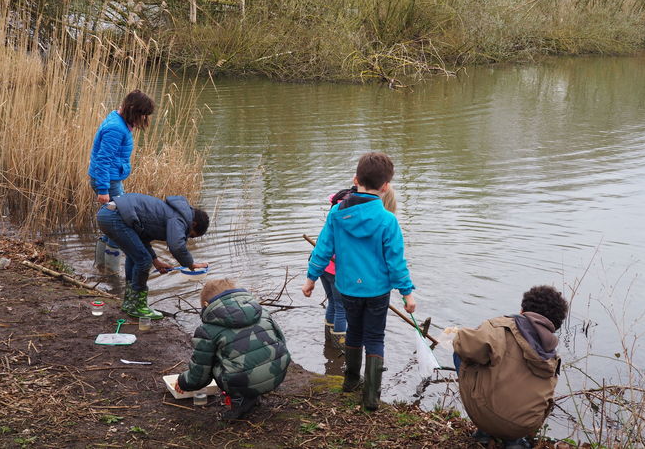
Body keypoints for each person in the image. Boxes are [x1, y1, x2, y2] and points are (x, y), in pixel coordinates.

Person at [302, 152, 415, 411]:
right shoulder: (388, 220)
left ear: (355, 179)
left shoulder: (336, 213)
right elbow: (396, 263)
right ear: (385, 187)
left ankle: (350, 381)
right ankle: (371, 397)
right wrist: (407, 294)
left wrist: (311, 278)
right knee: (375, 337)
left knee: (354, 331)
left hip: (348, 288)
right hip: (377, 290)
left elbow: (323, 249)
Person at [452, 285, 569, 449]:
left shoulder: (500, 327)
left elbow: (463, 346)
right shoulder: (552, 353)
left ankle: (485, 432)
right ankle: (513, 441)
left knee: (461, 355)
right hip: (525, 426)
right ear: (555, 325)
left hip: (486, 416)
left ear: (522, 310)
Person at [175, 278, 291, 420]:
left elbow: (200, 376)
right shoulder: (263, 312)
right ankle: (256, 390)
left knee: (212, 360)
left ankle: (240, 400)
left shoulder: (207, 330)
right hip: (277, 374)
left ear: (206, 304)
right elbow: (281, 341)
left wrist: (183, 382)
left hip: (240, 382)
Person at [96, 192, 209, 319]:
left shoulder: (173, 214)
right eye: (191, 235)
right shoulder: (180, 219)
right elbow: (176, 246)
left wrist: (155, 261)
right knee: (143, 261)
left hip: (109, 213)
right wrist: (190, 264)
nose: (187, 237)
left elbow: (142, 239)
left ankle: (129, 302)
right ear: (194, 224)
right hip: (115, 217)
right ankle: (139, 307)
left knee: (136, 258)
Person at [320, 185, 398, 350]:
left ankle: (329, 344)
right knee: (341, 308)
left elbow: (326, 244)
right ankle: (340, 346)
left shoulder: (341, 210)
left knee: (333, 303)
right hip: (337, 271)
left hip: (324, 267)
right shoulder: (379, 220)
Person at [88, 90, 154, 204]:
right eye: (142, 114)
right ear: (132, 109)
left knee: (120, 212)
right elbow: (103, 159)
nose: (144, 118)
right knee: (121, 216)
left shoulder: (120, 120)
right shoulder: (116, 128)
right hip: (108, 181)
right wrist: (103, 190)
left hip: (112, 178)